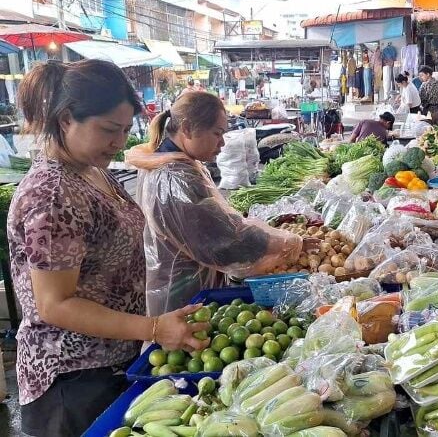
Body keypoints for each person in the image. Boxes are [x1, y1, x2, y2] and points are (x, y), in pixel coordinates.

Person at [7, 60, 210, 437]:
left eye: (124, 130)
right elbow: (55, 304)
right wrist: (152, 328)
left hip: (109, 364)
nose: (119, 142)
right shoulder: (52, 193)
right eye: (108, 130)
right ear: (67, 119)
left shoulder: (92, 169)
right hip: (70, 380)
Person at [126, 92, 319, 316]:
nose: (222, 142)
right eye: (217, 133)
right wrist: (291, 243)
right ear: (187, 128)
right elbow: (227, 240)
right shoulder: (175, 177)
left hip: (183, 283)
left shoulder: (169, 163)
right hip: (183, 297)